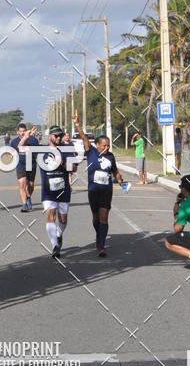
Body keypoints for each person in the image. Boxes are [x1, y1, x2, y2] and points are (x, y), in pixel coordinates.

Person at [73, 110, 126, 256]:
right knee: (95, 218)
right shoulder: (91, 152)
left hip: (106, 191)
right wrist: (77, 123)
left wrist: (119, 179)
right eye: (104, 145)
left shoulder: (111, 156)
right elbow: (84, 137)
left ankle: (101, 245)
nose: (107, 148)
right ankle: (99, 235)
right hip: (93, 190)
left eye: (108, 145)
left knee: (104, 217)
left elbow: (115, 171)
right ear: (97, 145)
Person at [39, 125, 73, 258]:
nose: (59, 137)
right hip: (48, 192)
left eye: (60, 135)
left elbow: (74, 168)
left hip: (63, 190)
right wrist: (25, 137)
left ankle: (59, 234)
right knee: (50, 217)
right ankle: (55, 246)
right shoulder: (41, 150)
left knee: (63, 220)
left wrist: (62, 162)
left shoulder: (66, 150)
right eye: (56, 135)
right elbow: (20, 147)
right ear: (50, 136)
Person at [10, 123, 39, 213]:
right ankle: (24, 204)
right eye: (20, 131)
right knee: (21, 184)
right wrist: (25, 137)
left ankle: (28, 196)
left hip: (31, 164)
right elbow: (17, 148)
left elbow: (37, 153)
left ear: (26, 131)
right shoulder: (14, 142)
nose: (22, 133)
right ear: (17, 132)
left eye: (24, 131)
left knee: (31, 185)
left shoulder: (34, 140)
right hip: (20, 165)